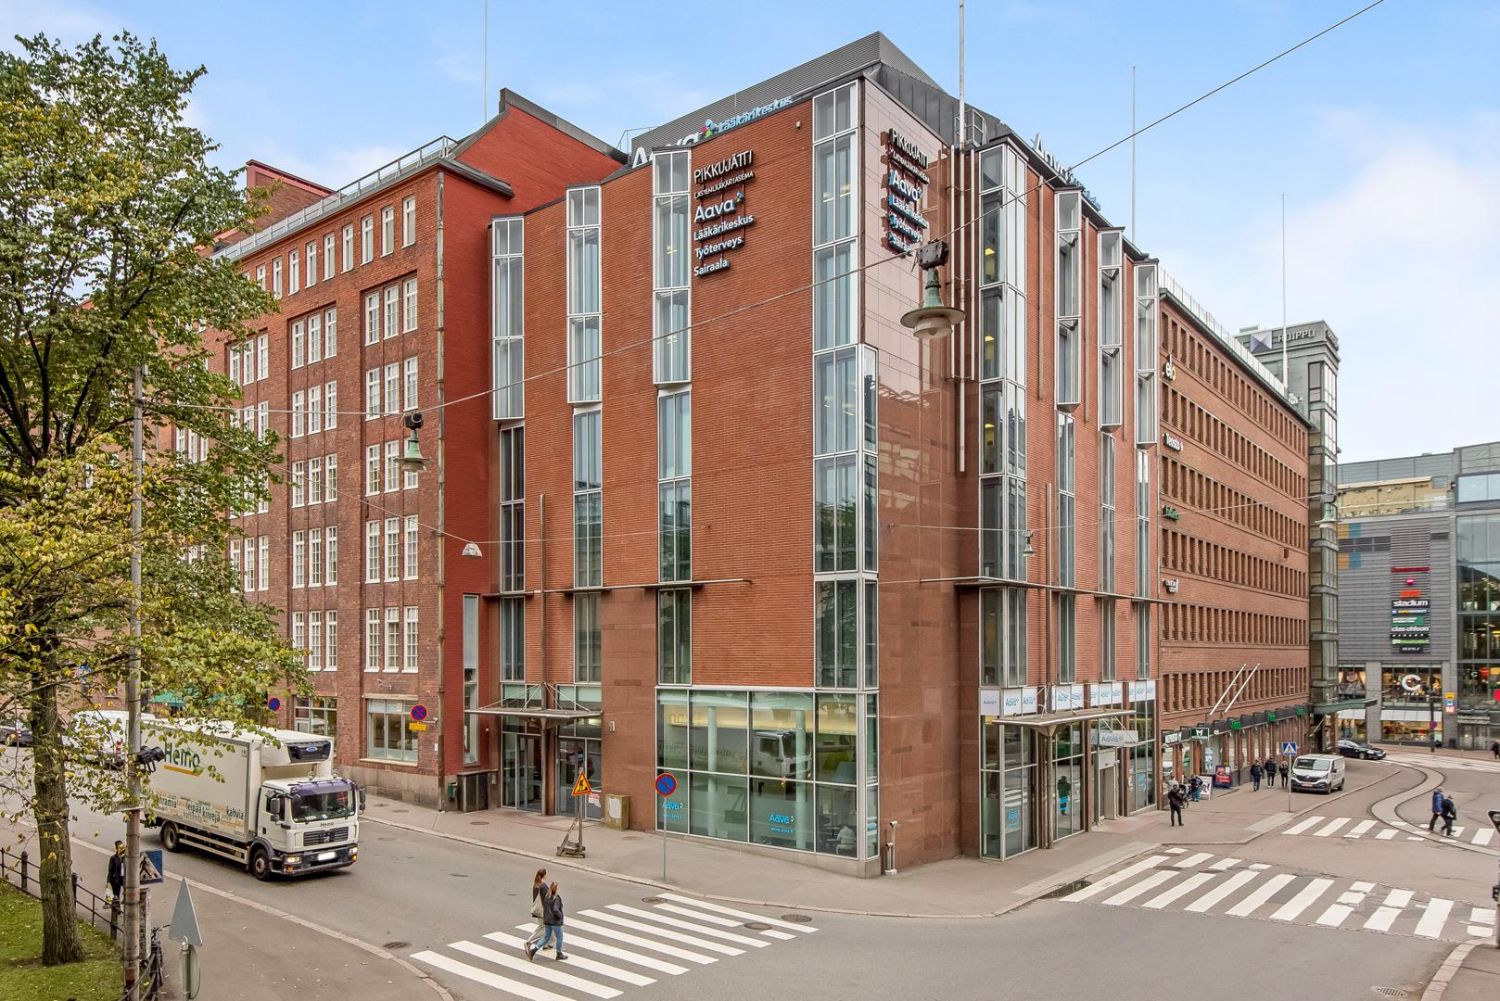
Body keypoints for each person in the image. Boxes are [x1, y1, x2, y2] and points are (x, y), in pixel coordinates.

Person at [529, 881, 567, 961]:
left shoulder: (547, 896)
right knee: (560, 936)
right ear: (556, 889)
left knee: (546, 937)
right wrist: (560, 916)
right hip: (554, 921)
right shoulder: (556, 898)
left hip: (547, 920)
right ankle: (559, 953)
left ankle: (533, 950)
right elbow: (555, 910)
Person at [522, 867, 549, 957]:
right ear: (544, 875)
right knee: (544, 926)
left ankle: (547, 944)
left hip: (537, 910)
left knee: (546, 926)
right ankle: (529, 942)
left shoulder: (536, 884)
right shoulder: (543, 886)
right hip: (542, 911)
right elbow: (546, 899)